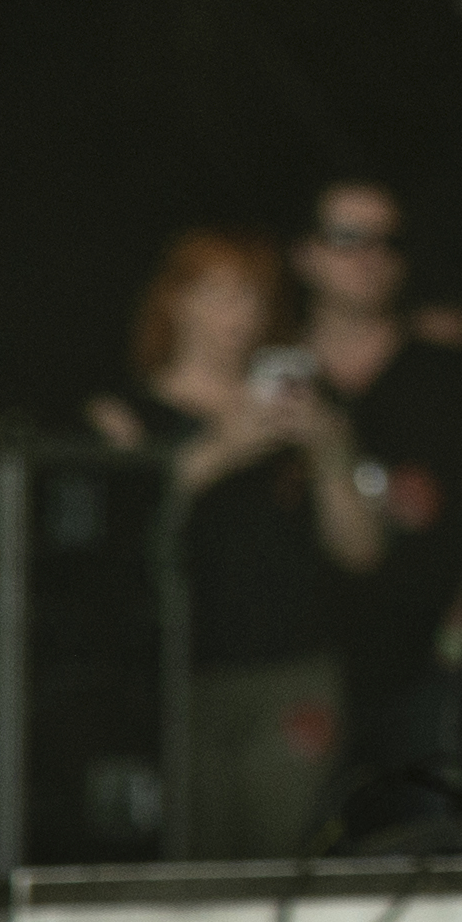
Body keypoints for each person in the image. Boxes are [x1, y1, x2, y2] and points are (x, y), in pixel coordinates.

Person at [86, 230, 381, 859]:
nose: (238, 314)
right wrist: (224, 448)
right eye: (220, 294)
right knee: (189, 858)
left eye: (252, 297)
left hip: (289, 667)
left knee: (283, 848)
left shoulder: (302, 407)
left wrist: (330, 450)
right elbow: (117, 539)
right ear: (178, 302)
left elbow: (359, 551)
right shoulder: (128, 415)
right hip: (177, 675)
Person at [291, 182, 462, 835]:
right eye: (348, 238)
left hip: (424, 661)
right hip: (296, 666)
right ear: (306, 255)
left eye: (388, 240)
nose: (370, 256)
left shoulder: (445, 368)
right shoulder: (274, 375)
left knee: (425, 853)